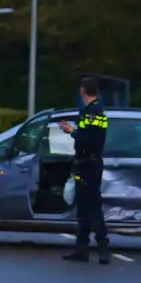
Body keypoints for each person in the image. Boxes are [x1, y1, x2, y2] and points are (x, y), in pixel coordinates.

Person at [59, 77, 110, 264]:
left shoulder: (93, 112)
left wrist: (71, 132)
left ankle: (103, 249)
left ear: (82, 92)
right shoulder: (94, 110)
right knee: (83, 208)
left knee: (93, 207)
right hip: (87, 162)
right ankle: (81, 249)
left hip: (89, 163)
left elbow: (89, 140)